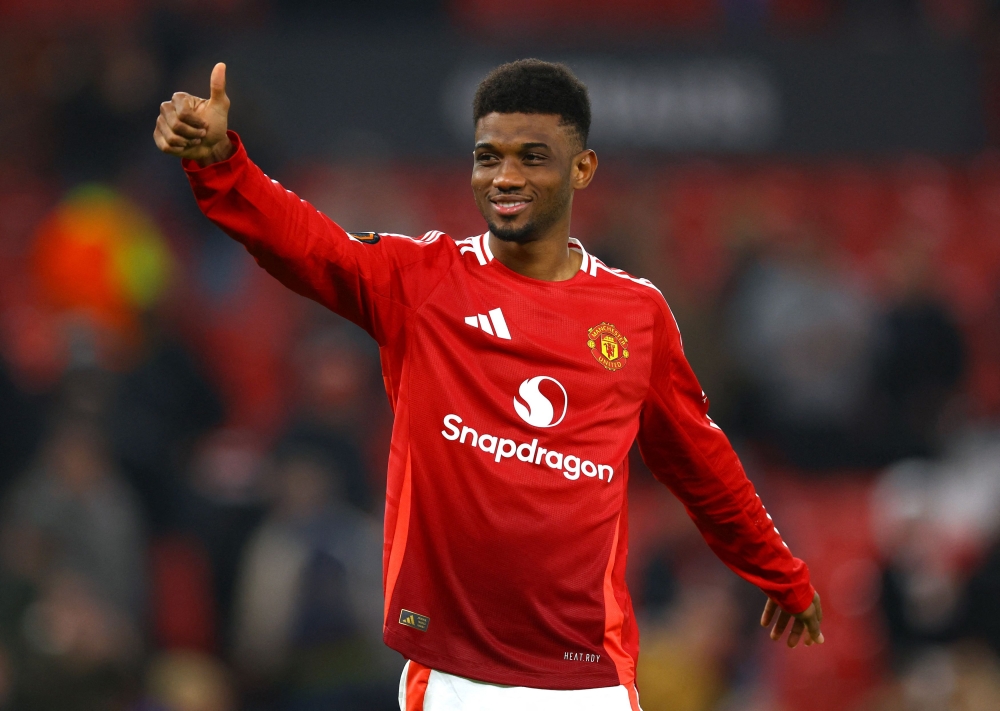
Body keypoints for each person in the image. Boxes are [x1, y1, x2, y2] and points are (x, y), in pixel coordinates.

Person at [154, 59, 823, 711]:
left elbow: (701, 463)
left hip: (589, 680)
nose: (505, 176)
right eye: (488, 156)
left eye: (533, 156)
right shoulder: (422, 282)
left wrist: (781, 573)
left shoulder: (637, 314)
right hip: (456, 678)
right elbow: (305, 244)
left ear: (582, 168)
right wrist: (220, 165)